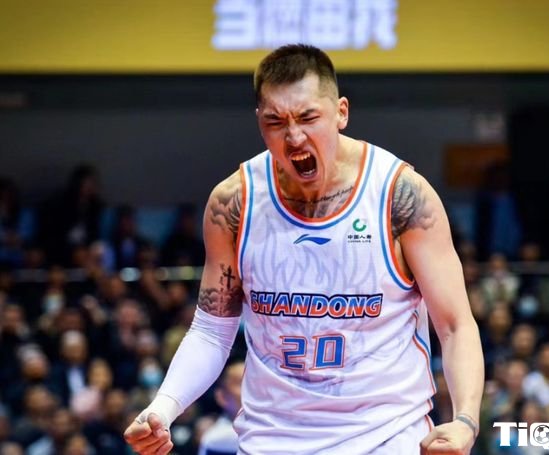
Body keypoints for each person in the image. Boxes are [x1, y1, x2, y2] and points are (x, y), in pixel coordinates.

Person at [123, 44, 484, 454]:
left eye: (308, 117)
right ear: (259, 122)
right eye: (276, 121)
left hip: (385, 437)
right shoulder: (234, 203)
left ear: (341, 113)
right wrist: (163, 408)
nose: (294, 137)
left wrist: (465, 421)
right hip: (270, 440)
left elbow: (455, 325)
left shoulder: (400, 196)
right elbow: (211, 331)